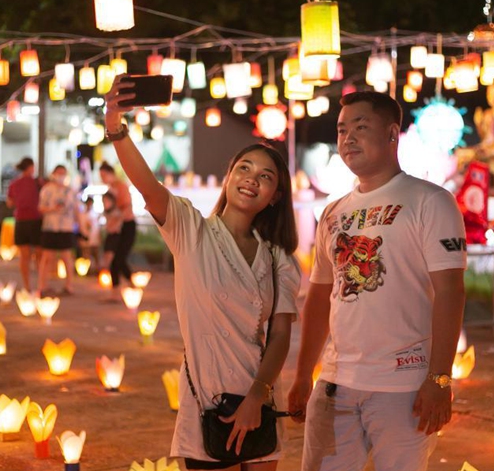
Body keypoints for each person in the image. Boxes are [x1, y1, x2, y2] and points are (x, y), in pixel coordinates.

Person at [105, 80, 301, 471]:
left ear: (275, 195)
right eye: (244, 168)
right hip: (206, 398)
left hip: (260, 397)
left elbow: (279, 335)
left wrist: (256, 398)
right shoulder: (189, 230)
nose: (252, 179)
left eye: (266, 176)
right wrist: (115, 126)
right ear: (228, 177)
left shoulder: (279, 258)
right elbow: (147, 184)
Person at [286, 91, 467, 471]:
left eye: (360, 127)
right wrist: (304, 375)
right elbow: (319, 298)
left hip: (403, 385)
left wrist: (439, 379)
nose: (347, 138)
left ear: (391, 134)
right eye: (341, 130)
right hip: (336, 381)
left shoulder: (429, 201)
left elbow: (450, 291)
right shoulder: (333, 212)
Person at [37, 165, 77, 296]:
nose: (61, 176)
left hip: (66, 227)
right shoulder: (47, 189)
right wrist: (53, 208)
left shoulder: (70, 191)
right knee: (48, 257)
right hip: (50, 227)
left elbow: (76, 209)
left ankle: (69, 285)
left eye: (64, 174)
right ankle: (42, 285)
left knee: (66, 256)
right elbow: (41, 207)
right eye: (59, 173)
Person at [99, 162, 136, 298]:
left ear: (110, 173)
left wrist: (117, 221)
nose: (102, 178)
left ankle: (126, 287)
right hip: (116, 227)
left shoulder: (121, 186)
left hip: (126, 225)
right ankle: (121, 288)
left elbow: (126, 207)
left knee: (119, 258)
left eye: (103, 175)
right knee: (116, 259)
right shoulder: (111, 188)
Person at [7, 157, 42, 291]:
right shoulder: (37, 182)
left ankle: (27, 286)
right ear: (31, 167)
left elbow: (9, 202)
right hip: (35, 220)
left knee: (24, 256)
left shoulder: (14, 184)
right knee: (39, 255)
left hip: (21, 220)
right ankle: (40, 285)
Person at [77, 196, 101, 272]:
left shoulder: (95, 214)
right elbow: (80, 226)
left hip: (94, 238)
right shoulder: (82, 215)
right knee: (86, 255)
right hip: (85, 238)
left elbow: (97, 227)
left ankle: (97, 270)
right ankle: (87, 271)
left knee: (96, 255)